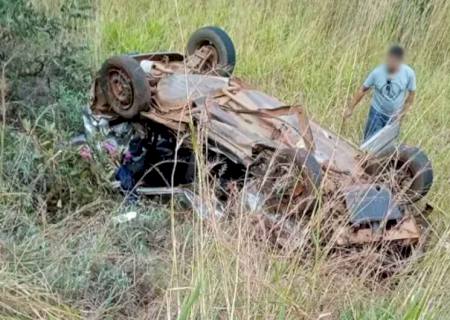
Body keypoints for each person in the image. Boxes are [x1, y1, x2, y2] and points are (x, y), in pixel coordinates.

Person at [344, 45, 416, 142]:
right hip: (376, 113)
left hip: (394, 117)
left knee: (386, 147)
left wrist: (402, 114)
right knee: (369, 143)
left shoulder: (409, 74)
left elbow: (411, 95)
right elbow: (363, 90)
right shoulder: (377, 73)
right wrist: (350, 108)